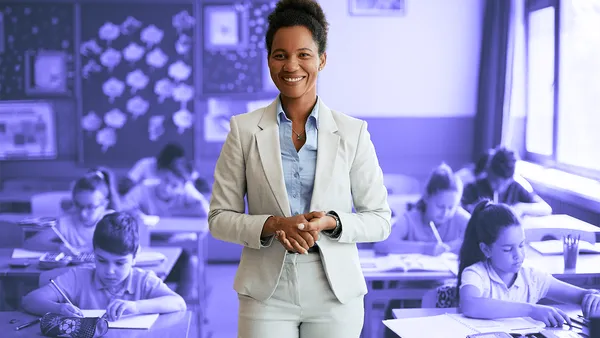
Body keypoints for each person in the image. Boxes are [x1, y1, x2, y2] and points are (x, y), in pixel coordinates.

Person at [208, 0, 391, 337]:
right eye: (280, 55)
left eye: (304, 54)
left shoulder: (353, 132)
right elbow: (219, 219)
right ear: (269, 61)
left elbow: (380, 220)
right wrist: (273, 224)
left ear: (321, 60)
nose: (291, 65)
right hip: (265, 293)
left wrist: (332, 222)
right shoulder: (244, 130)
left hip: (336, 294)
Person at [458, 201, 600, 327]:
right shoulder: (476, 273)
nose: (518, 255)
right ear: (486, 249)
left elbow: (581, 295)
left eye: (521, 245)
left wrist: (592, 296)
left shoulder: (532, 278)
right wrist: (532, 310)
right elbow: (470, 304)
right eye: (507, 249)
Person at [21, 212, 186, 320]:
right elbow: (29, 300)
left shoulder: (143, 279)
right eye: (101, 260)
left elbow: (178, 303)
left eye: (120, 262)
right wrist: (59, 309)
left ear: (135, 257)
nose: (110, 271)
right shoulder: (79, 277)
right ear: (94, 253)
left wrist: (136, 306)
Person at [374, 163, 469, 256]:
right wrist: (424, 248)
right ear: (426, 197)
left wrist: (450, 247)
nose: (445, 212)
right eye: (440, 206)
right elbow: (382, 245)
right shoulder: (410, 219)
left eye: (451, 207)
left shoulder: (458, 216)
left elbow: (481, 231)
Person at [24, 168, 120, 255]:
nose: (83, 213)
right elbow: (30, 243)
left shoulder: (112, 221)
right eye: (78, 205)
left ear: (104, 204)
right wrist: (59, 247)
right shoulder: (66, 223)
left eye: (90, 207)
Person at [461, 147, 551, 217]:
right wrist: (472, 209)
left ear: (511, 178)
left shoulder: (515, 188)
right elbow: (458, 210)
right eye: (495, 181)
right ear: (489, 172)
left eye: (504, 184)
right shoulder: (473, 188)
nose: (499, 188)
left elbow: (546, 208)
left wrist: (521, 207)